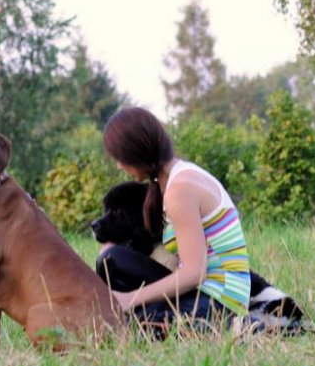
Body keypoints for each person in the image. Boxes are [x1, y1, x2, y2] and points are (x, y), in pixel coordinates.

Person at [96, 107, 251, 336]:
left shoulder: (180, 189)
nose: (119, 165)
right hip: (204, 293)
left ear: (136, 151)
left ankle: (229, 328)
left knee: (139, 330)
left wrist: (130, 299)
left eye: (119, 157)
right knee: (111, 259)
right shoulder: (173, 178)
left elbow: (194, 273)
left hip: (221, 303)